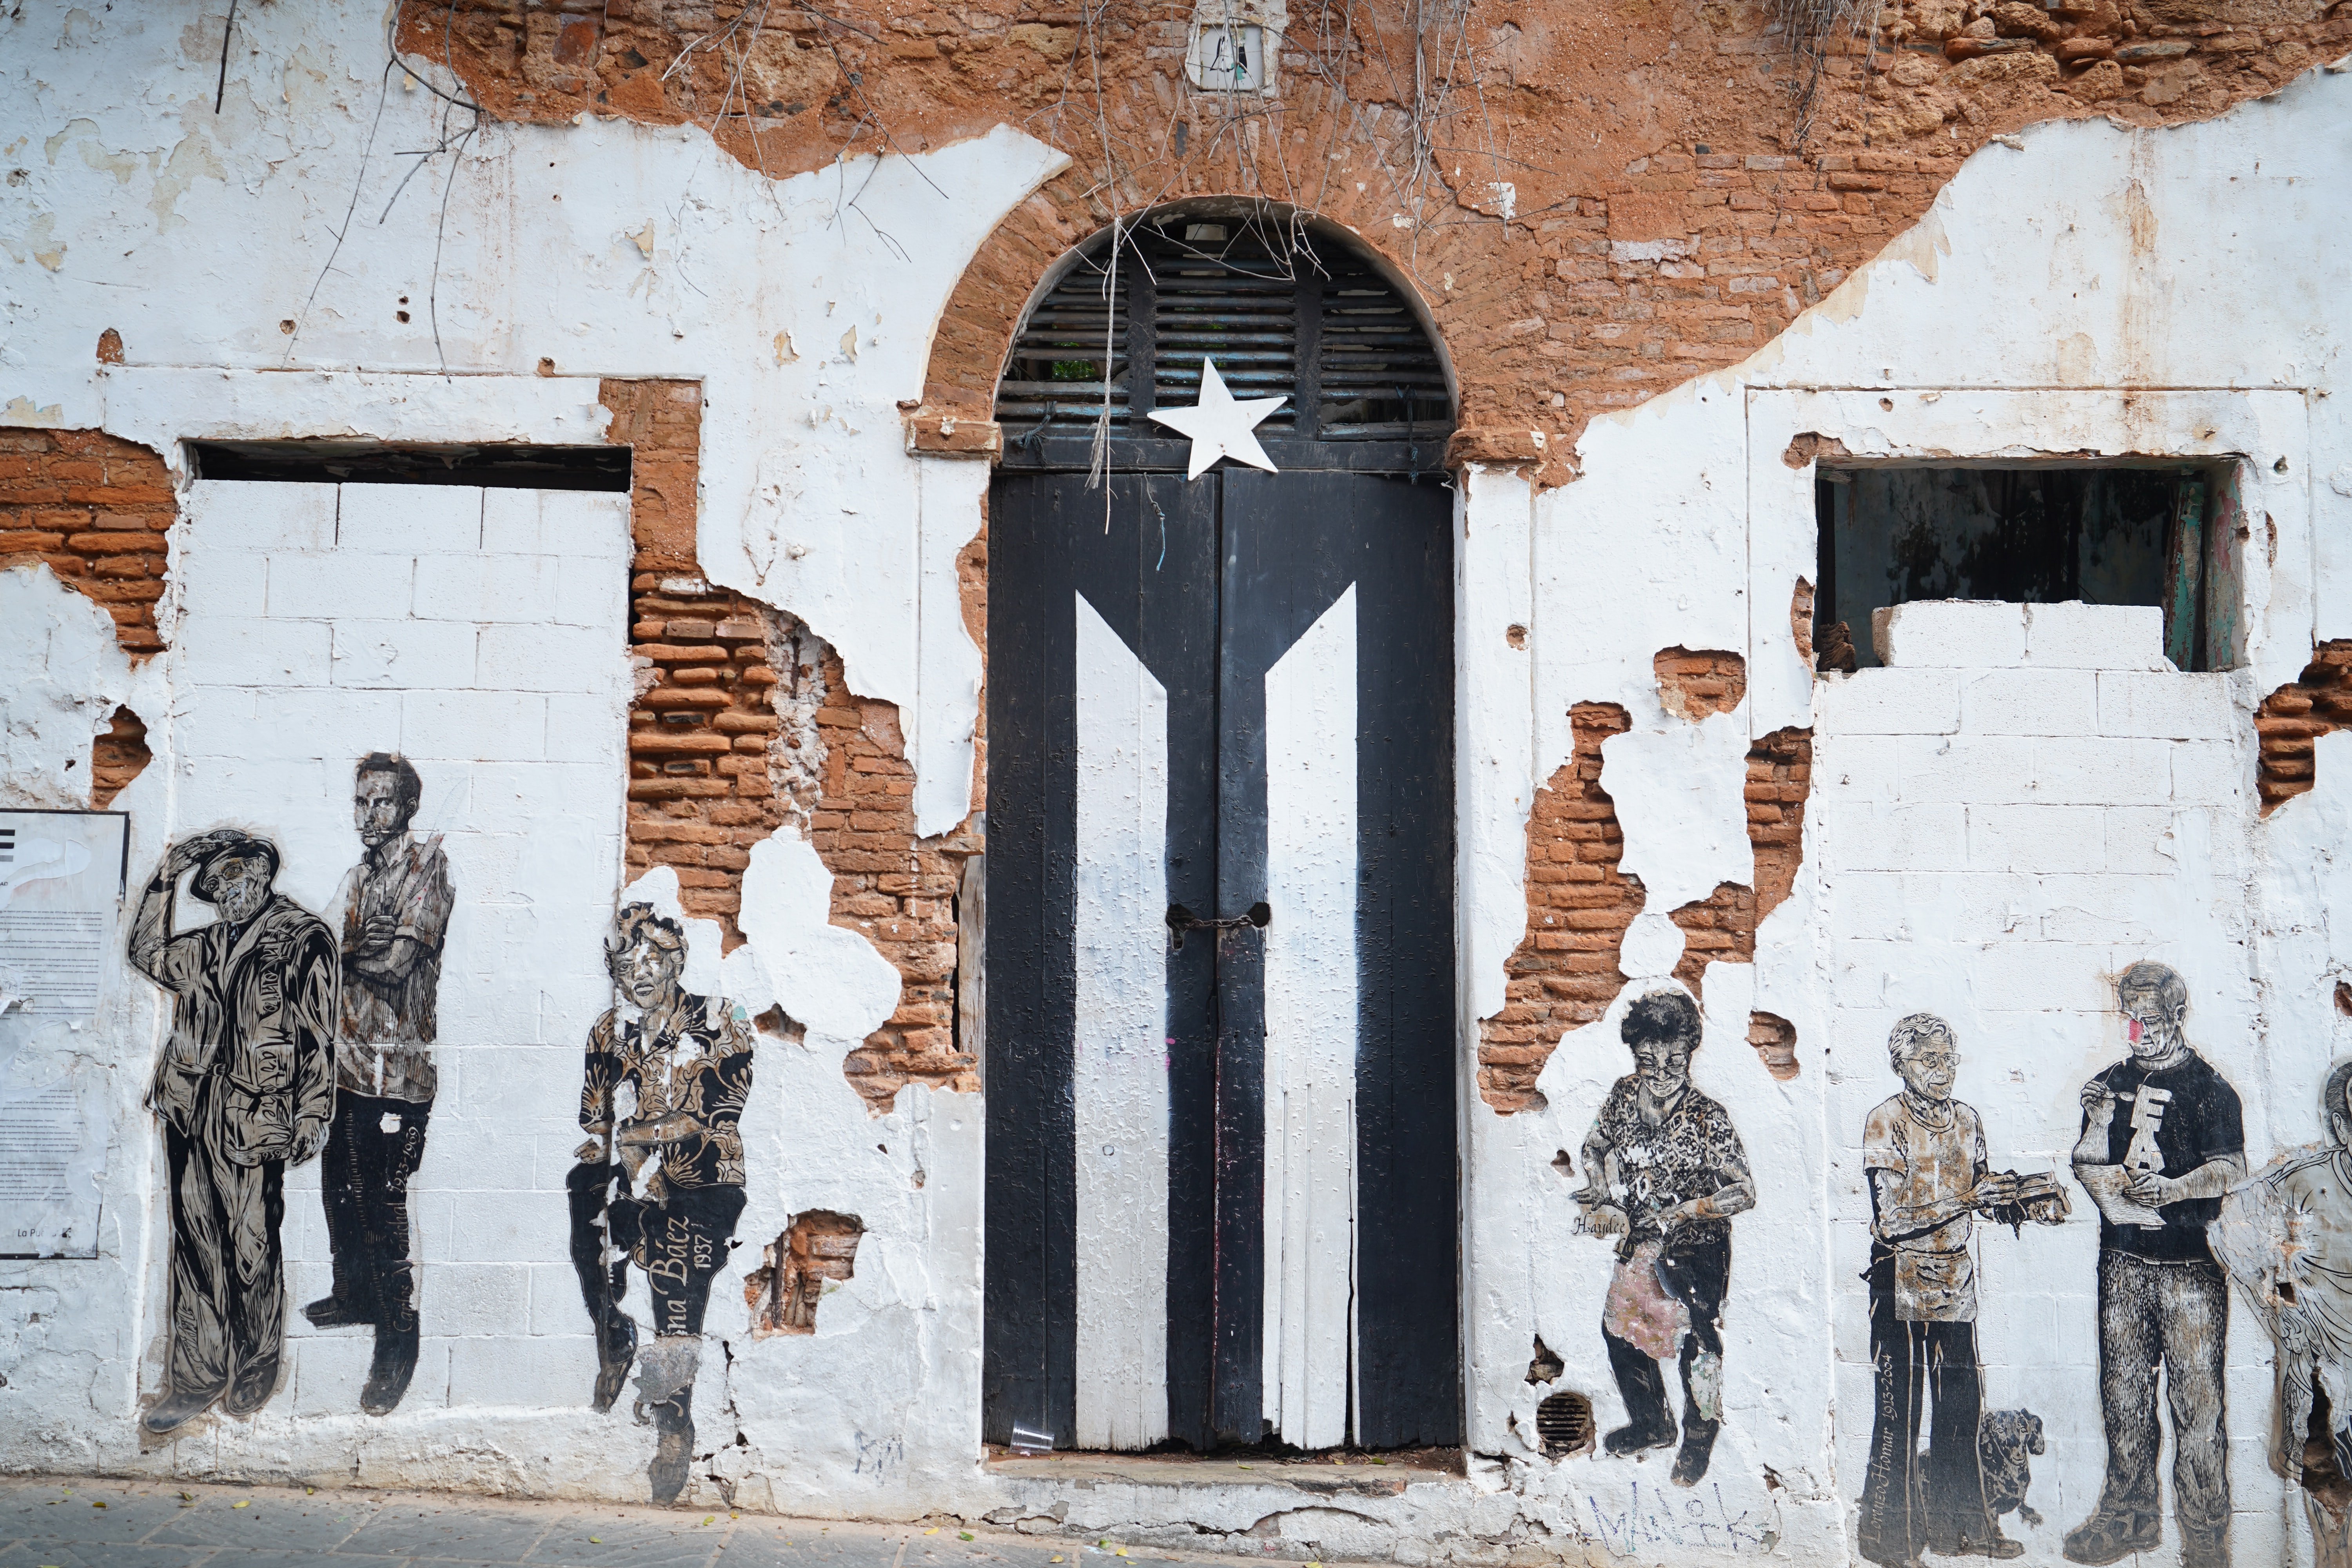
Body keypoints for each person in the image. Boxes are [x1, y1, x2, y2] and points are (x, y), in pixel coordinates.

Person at [128, 829, 336, 1435]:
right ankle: (195, 1378)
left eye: (236, 879)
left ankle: (254, 1363)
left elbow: (317, 1035)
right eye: (216, 886)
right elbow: (146, 955)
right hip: (191, 1107)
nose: (227, 894)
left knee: (249, 1247)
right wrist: (165, 878)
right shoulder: (202, 946)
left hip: (255, 1112)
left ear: (263, 875)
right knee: (195, 1245)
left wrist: (313, 1112)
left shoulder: (302, 937)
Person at [1857, 1014, 2068, 1567]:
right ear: (1901, 1064)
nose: (1943, 1070)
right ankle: (1891, 1542)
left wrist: (2027, 1202)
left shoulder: (1968, 1120)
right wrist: (1967, 1202)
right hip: (1899, 1279)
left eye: (1949, 1059)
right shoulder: (1886, 1121)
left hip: (1954, 1280)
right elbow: (1892, 1221)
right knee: (1899, 1416)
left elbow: (1982, 1193)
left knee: (1960, 1414)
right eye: (1930, 1060)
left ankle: (1963, 1532)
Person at [569, 903, 755, 1504]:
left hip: (702, 1184)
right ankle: (613, 1329)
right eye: (626, 962)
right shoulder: (608, 1031)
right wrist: (605, 1157)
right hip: (634, 1175)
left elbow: (711, 1116)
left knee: (677, 1298)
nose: (639, 971)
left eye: (652, 958)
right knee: (581, 1195)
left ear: (676, 961)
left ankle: (674, 1427)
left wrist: (635, 1141)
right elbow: (595, 1120)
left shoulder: (723, 1020)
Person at [2064, 961, 2245, 1568]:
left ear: (2179, 1015)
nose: (2141, 1032)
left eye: (2154, 1020)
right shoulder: (2110, 1081)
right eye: (2132, 1020)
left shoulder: (2211, 1089)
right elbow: (2089, 1163)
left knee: (2198, 1406)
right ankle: (2129, 1517)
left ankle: (2203, 1539)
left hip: (2190, 1269)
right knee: (2122, 1396)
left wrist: (2172, 1191)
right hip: (2122, 1262)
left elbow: (2230, 1169)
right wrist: (2095, 1122)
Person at [307, 752, 453, 1416]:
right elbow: (318, 946)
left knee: (384, 1205)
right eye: (361, 801)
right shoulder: (358, 875)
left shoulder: (429, 871)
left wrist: (347, 947)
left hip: (398, 1074)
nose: (369, 814)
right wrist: (347, 944)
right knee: (339, 1185)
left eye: (383, 802)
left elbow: (394, 966)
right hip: (348, 1065)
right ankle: (355, 1295)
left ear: (408, 808)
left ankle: (399, 1339)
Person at [1573, 989, 1754, 1486]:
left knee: (1698, 1343)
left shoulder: (1707, 1117)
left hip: (1696, 1246)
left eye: (1674, 1058)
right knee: (1620, 1331)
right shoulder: (1622, 1095)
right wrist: (1599, 1186)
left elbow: (1744, 1191)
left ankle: (1700, 1436)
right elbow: (1594, 1144)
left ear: (1690, 1051)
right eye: (1648, 1058)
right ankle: (1652, 1422)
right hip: (1642, 1241)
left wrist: (1686, 1210)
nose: (1661, 1070)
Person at [2214, 1059, 2352, 1568]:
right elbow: (2234, 1226)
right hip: (2330, 1393)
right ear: (2340, 1127)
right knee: (2336, 1534)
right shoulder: (2303, 1182)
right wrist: (2283, 1311)